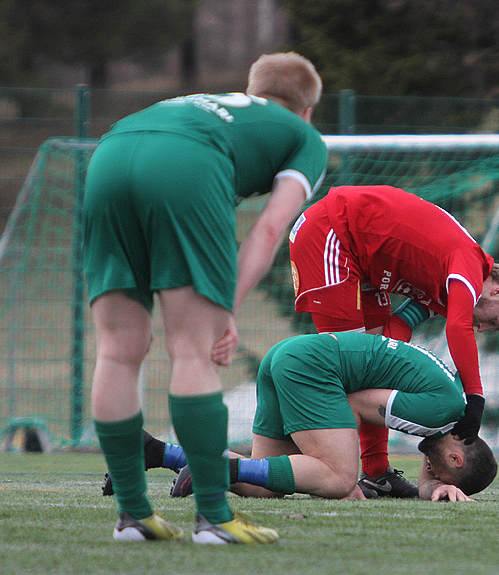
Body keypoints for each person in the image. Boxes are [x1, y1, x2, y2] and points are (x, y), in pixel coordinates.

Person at [84, 52, 328, 544]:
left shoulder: (203, 104)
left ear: (250, 90)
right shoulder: (303, 136)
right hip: (187, 166)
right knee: (193, 350)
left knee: (116, 349)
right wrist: (225, 308)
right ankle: (214, 518)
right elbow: (269, 230)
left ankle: (132, 516)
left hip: (110, 152)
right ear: (307, 109)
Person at [288, 184, 499, 498]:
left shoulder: (450, 282)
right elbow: (457, 329)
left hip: (360, 258)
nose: (482, 328)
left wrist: (385, 357)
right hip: (332, 232)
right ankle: (326, 470)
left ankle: (376, 474)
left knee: (366, 367)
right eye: (493, 322)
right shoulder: (468, 266)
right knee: (347, 367)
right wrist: (476, 398)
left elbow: (401, 324)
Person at [152, 332, 497, 501]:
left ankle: (159, 452)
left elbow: (426, 481)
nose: (430, 471)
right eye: (440, 472)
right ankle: (213, 468)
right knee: (338, 478)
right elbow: (355, 403)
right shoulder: (440, 415)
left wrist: (437, 488)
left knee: (263, 487)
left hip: (292, 357)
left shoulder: (450, 411)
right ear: (455, 457)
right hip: (310, 368)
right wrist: (347, 478)